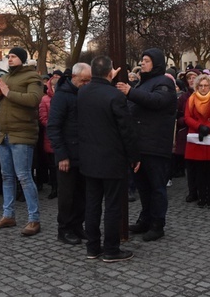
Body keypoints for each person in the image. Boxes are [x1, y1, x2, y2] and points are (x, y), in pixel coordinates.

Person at [78, 56, 140, 262]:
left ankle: (93, 247)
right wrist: (134, 156)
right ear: (109, 72)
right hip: (112, 159)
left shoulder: (83, 92)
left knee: (92, 204)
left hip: (89, 158)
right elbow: (126, 129)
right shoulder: (115, 96)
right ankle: (111, 249)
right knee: (113, 206)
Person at [116, 48, 177, 242]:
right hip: (140, 145)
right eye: (142, 60)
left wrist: (130, 92)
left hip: (156, 145)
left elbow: (157, 101)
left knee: (156, 186)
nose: (142, 63)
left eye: (147, 60)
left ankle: (158, 224)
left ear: (157, 63)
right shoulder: (143, 83)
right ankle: (146, 218)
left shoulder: (165, 82)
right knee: (143, 186)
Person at [0, 47, 43, 237]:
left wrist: (8, 93)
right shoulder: (6, 78)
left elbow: (34, 99)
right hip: (4, 134)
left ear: (22, 59)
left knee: (24, 177)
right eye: (8, 56)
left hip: (22, 134)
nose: (9, 59)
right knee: (6, 177)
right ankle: (8, 215)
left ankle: (34, 219)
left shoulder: (32, 77)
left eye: (13, 56)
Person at [46, 62, 92, 245]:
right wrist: (62, 155)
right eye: (84, 80)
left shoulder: (83, 94)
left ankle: (77, 225)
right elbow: (54, 127)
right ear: (74, 78)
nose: (87, 84)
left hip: (83, 153)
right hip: (67, 155)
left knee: (82, 193)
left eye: (89, 80)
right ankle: (64, 229)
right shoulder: (62, 96)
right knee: (67, 196)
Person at [183, 74, 210, 208]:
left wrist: (209, 127)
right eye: (200, 85)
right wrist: (199, 127)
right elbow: (187, 117)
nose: (203, 88)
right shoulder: (191, 99)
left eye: (205, 85)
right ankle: (201, 197)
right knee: (199, 171)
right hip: (196, 137)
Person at [38, 71, 61, 199]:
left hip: (61, 136)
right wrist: (52, 126)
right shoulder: (45, 100)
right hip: (50, 136)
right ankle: (54, 188)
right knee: (52, 166)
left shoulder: (62, 98)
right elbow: (42, 117)